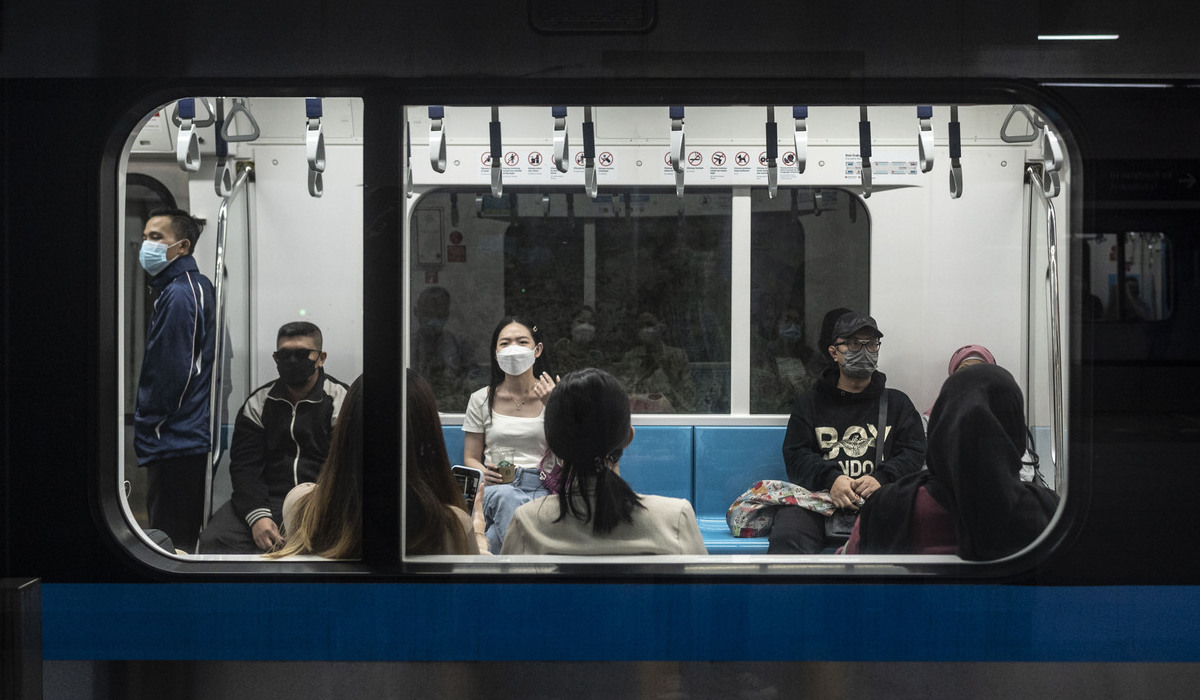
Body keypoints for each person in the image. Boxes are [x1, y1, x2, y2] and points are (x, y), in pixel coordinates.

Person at [845, 364, 1060, 558]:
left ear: (941, 423)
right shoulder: (1049, 512)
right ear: (1014, 430)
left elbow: (848, 571)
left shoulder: (886, 506)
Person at [271, 372, 485, 558]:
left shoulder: (299, 505)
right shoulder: (453, 525)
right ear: (427, 437)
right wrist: (478, 537)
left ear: (347, 431)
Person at [768, 311, 926, 554]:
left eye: (871, 344)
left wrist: (882, 479)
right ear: (834, 352)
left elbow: (914, 453)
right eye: (853, 344)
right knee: (788, 535)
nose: (864, 351)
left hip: (881, 499)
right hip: (820, 503)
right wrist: (831, 479)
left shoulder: (898, 404)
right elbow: (796, 455)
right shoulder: (809, 403)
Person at [500, 368, 707, 555]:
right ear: (628, 438)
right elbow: (704, 594)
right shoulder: (675, 519)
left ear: (554, 448)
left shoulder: (527, 522)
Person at [198, 322, 348, 554]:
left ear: (320, 358)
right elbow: (245, 468)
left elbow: (346, 468)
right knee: (215, 539)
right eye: (284, 354)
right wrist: (258, 516)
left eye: (301, 354)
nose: (292, 361)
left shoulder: (341, 401)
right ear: (275, 358)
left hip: (323, 500)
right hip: (270, 500)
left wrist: (319, 508)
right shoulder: (258, 404)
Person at [133, 207, 216, 554]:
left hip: (175, 440)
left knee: (170, 547)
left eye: (156, 238)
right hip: (176, 438)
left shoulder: (182, 293)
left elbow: (173, 374)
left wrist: (150, 422)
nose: (146, 245)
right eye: (145, 237)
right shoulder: (181, 288)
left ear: (182, 247)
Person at [462, 317, 558, 553]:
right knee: (507, 497)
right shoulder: (480, 399)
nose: (513, 348)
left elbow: (568, 451)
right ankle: (533, 570)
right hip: (498, 485)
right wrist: (484, 471)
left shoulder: (555, 395)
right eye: (505, 343)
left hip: (542, 485)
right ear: (495, 354)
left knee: (493, 540)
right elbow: (471, 457)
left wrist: (555, 407)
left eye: (522, 341)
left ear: (537, 350)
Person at [411, 286, 477, 409]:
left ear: (447, 315)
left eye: (439, 315)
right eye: (428, 314)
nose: (433, 320)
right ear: (416, 312)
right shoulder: (406, 347)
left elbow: (472, 381)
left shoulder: (460, 345)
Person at [618, 311, 696, 413]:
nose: (645, 329)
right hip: (639, 414)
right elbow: (624, 393)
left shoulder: (677, 356)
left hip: (670, 415)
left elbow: (689, 397)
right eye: (641, 325)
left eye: (649, 324)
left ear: (661, 326)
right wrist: (640, 375)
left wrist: (670, 375)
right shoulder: (631, 356)